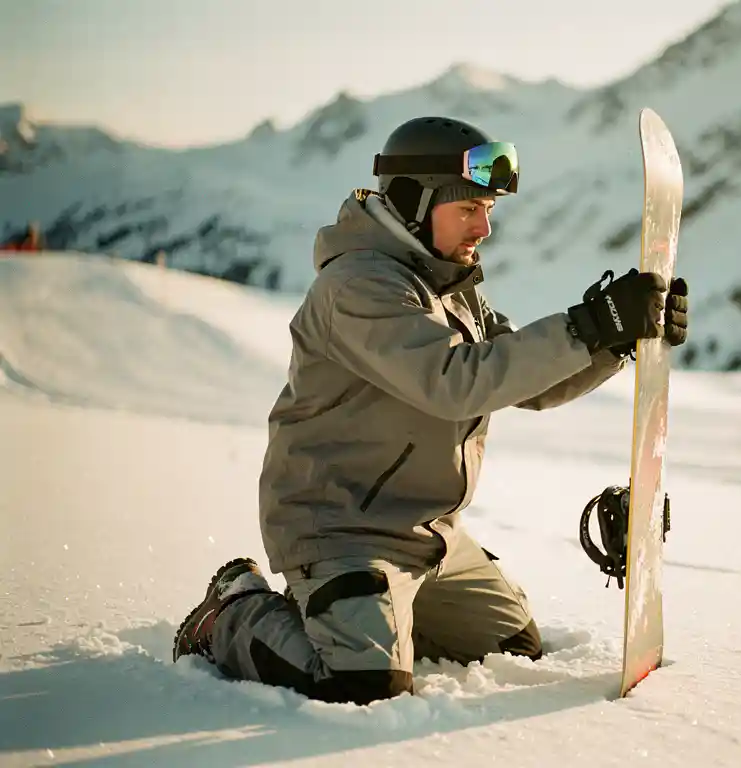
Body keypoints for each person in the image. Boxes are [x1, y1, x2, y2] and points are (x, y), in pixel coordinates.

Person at [172, 116, 689, 705]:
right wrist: (588, 325)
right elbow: (457, 383)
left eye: (488, 209)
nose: (485, 227)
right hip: (341, 526)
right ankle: (232, 610)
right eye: (469, 208)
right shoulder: (359, 287)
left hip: (428, 534)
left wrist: (612, 343)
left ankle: (359, 609)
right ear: (415, 200)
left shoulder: (450, 283)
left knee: (509, 647)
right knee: (364, 683)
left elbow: (529, 385)